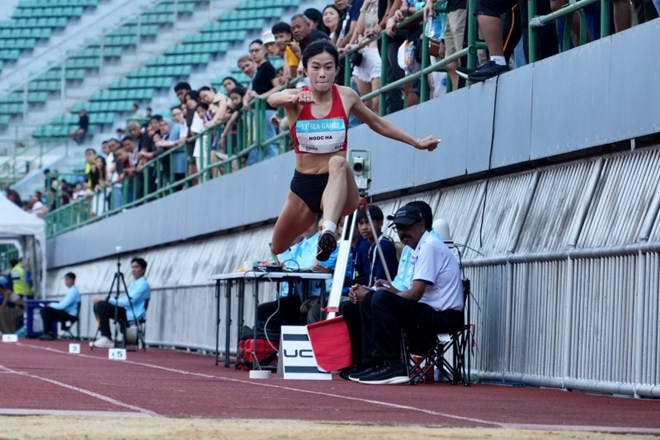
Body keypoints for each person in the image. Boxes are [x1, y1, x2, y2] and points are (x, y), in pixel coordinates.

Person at [267, 40, 439, 263]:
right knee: (278, 246)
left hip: (341, 185)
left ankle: (328, 231)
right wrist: (292, 97)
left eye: (328, 67)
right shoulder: (296, 97)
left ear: (337, 70)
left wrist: (415, 142)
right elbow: (272, 99)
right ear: (306, 70)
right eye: (316, 67)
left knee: (338, 162)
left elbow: (377, 123)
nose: (322, 74)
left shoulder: (346, 96)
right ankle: (323, 233)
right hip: (304, 186)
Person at [347, 202, 464, 384]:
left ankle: (393, 365)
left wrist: (387, 296)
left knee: (380, 299)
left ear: (422, 225)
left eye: (407, 227)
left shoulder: (429, 246)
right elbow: (412, 291)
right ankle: (374, 363)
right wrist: (388, 290)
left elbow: (415, 294)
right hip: (429, 309)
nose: (402, 232)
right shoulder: (418, 248)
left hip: (444, 315)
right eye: (399, 228)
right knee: (372, 298)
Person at [90, 257, 151, 348]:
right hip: (127, 310)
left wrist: (107, 299)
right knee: (98, 305)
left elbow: (127, 301)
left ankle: (106, 337)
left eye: (136, 267)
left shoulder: (143, 284)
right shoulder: (134, 283)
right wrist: (108, 300)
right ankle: (104, 336)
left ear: (143, 269)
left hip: (132, 314)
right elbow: (125, 300)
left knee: (100, 305)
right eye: (132, 267)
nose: (133, 270)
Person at [38, 272, 81, 340]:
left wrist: (51, 304)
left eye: (68, 279)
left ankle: (48, 332)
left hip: (70, 315)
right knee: (47, 311)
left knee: (45, 310)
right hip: (67, 313)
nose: (66, 282)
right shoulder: (71, 290)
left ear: (73, 280)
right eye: (65, 280)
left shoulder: (73, 292)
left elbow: (62, 306)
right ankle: (49, 332)